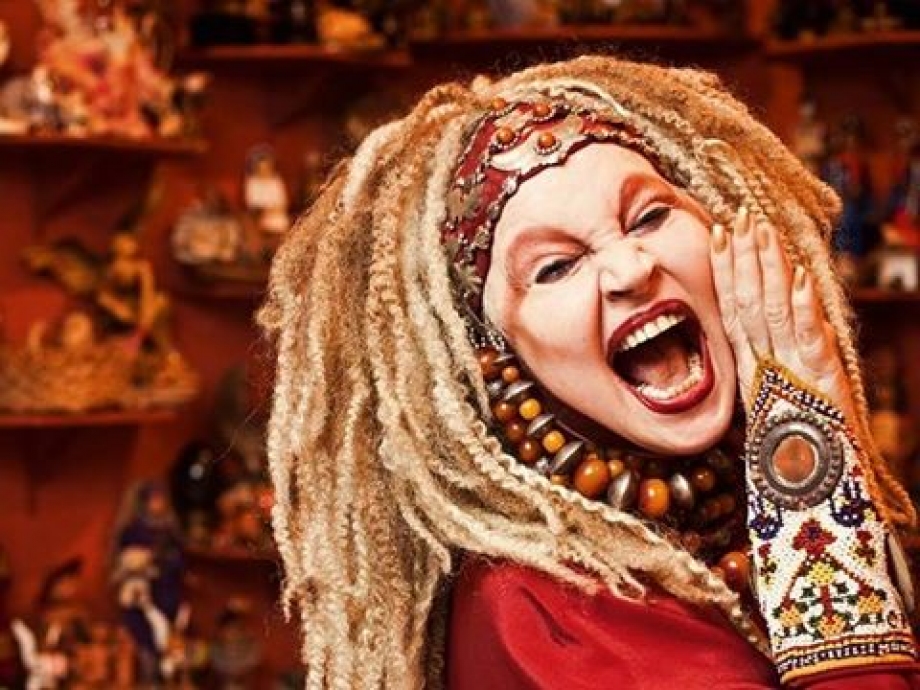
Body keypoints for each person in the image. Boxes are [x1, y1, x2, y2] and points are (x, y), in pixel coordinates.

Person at [258, 56, 920, 688]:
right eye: (555, 267)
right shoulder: (536, 610)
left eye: (650, 216)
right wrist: (814, 480)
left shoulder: (740, 501)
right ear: (492, 352)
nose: (630, 269)